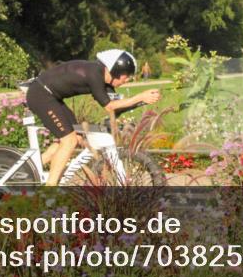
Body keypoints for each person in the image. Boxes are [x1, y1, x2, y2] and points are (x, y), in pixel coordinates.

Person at [26, 49, 161, 185]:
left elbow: (115, 108)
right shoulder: (94, 74)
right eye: (126, 76)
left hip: (52, 97)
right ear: (115, 71)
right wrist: (139, 96)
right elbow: (109, 106)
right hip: (41, 94)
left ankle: (27, 169)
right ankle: (50, 187)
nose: (127, 80)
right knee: (69, 141)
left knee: (76, 137)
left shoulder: (105, 82)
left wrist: (142, 101)